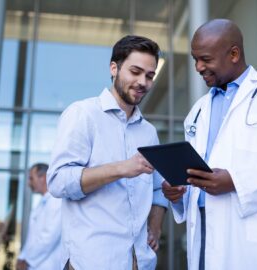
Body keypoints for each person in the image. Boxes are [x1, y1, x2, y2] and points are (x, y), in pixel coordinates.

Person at [162, 19, 257, 270]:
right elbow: (195, 175)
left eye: (206, 59)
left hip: (253, 243)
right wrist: (178, 193)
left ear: (234, 54)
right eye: (195, 59)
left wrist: (235, 181)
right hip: (203, 236)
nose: (198, 67)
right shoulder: (197, 111)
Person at [47, 35, 168, 270]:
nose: (143, 81)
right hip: (91, 261)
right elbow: (58, 181)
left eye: (150, 75)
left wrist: (155, 226)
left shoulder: (149, 132)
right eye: (135, 71)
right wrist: (121, 168)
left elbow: (158, 189)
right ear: (114, 68)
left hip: (139, 262)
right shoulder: (83, 114)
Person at [16, 163, 62, 270]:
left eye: (31, 178)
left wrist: (27, 260)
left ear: (43, 177)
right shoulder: (42, 202)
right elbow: (32, 237)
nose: (29, 183)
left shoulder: (57, 201)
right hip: (35, 264)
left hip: (47, 264)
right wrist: (22, 257)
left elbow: (49, 237)